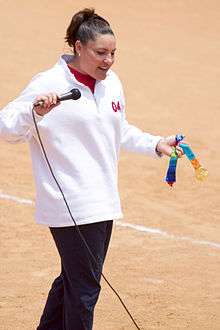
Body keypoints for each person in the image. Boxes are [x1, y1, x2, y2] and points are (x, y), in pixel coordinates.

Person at [0, 8, 184, 330]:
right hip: (69, 203)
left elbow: (118, 130)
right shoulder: (49, 83)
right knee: (85, 289)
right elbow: (6, 129)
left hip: (103, 201)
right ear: (79, 47)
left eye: (113, 53)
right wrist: (36, 112)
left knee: (73, 280)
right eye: (101, 53)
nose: (108, 60)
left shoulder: (112, 83)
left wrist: (155, 144)